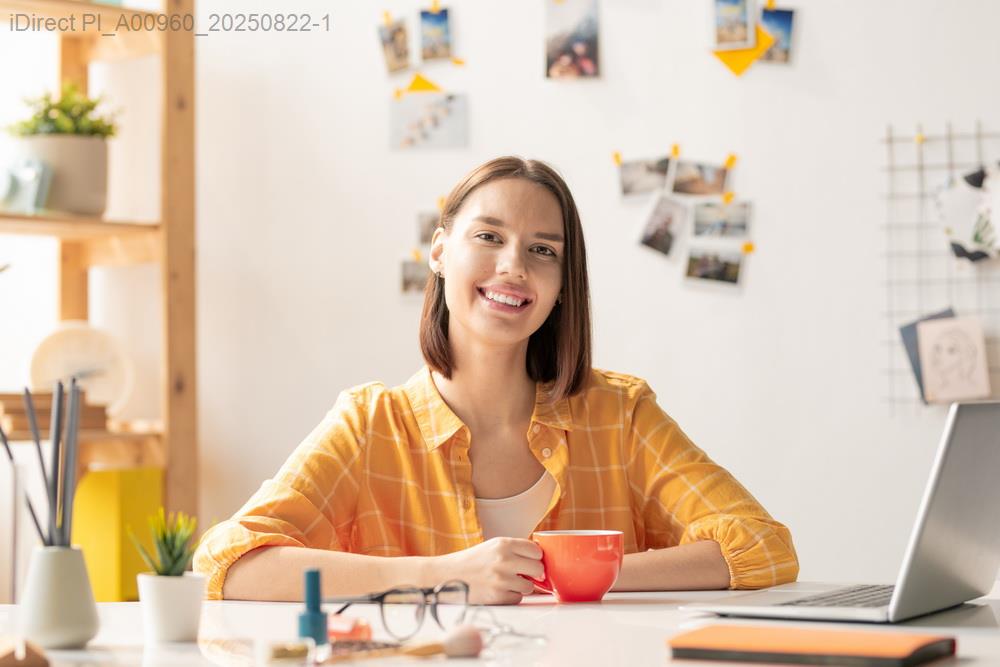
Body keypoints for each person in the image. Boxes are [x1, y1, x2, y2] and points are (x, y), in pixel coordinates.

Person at [193, 157, 799, 603]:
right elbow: (229, 562)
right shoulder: (370, 423)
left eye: (544, 251)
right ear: (439, 251)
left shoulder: (620, 413)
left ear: (563, 289)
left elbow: (761, 545)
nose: (514, 267)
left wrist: (569, 575)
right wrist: (443, 576)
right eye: (488, 237)